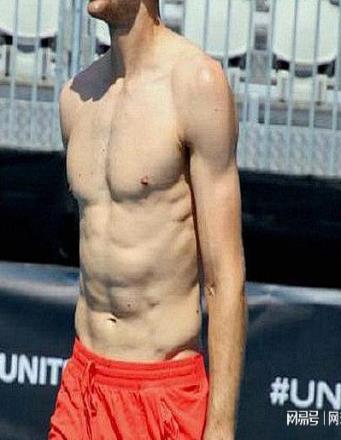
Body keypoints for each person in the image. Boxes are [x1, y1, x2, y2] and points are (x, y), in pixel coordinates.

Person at [49, 0, 247, 438]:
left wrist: (220, 427)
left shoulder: (195, 85)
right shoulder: (76, 98)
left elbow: (224, 276)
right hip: (84, 386)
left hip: (162, 395)